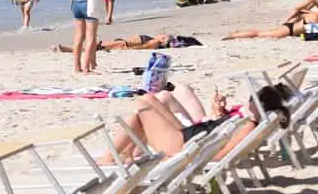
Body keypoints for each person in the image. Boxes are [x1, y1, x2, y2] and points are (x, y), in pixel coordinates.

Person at [99, 83, 290, 163]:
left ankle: (110, 158)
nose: (248, 102)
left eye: (252, 100)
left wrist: (182, 158)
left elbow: (224, 155)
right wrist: (219, 113)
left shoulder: (248, 126)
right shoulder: (246, 121)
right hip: (188, 135)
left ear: (259, 106)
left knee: (145, 101)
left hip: (181, 145)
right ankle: (121, 154)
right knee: (143, 109)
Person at [222, 5, 318, 40]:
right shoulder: (314, 19)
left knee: (261, 32)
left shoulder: (313, 15)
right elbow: (310, 31)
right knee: (258, 34)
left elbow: (300, 12)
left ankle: (238, 33)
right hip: (289, 30)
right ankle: (234, 35)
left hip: (291, 25)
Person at [51, 33, 202, 52]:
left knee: (107, 45)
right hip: (140, 40)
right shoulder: (157, 42)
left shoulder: (157, 43)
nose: (164, 34)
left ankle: (70, 49)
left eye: (166, 36)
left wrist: (125, 48)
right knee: (109, 44)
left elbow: (141, 48)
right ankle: (71, 49)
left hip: (136, 42)